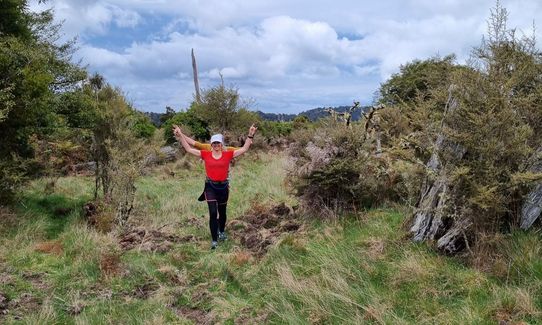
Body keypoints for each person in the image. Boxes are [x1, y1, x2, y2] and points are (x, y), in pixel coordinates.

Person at [173, 124, 257, 250]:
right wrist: (180, 136)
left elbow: (244, 149)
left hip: (223, 187)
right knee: (213, 213)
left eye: (218, 143)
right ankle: (214, 240)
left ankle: (221, 232)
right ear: (211, 144)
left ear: (222, 144)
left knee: (222, 213)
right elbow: (189, 149)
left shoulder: (228, 154)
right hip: (210, 187)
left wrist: (250, 134)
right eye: (214, 144)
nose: (216, 146)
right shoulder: (205, 154)